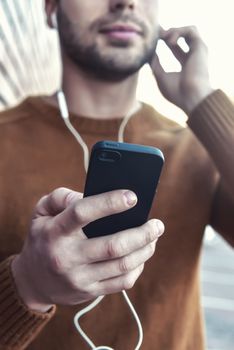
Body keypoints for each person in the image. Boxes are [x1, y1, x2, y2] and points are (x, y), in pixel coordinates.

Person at [0, 0, 233, 349]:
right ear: (51, 10)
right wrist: (27, 284)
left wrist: (201, 98)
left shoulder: (198, 147)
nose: (125, 2)